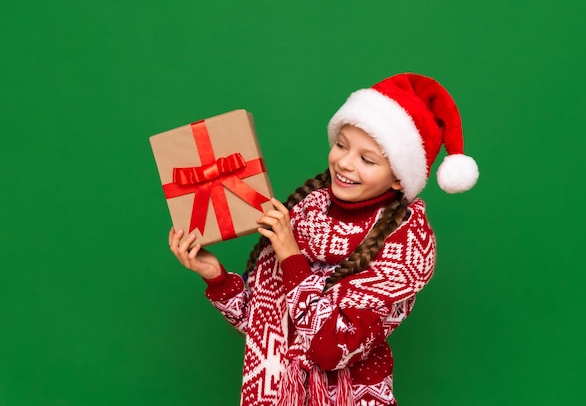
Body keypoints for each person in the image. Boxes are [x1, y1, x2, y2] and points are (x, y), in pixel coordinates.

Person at [169, 73, 479, 406]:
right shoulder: (304, 213)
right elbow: (266, 328)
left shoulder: (404, 247)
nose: (344, 163)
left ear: (399, 179)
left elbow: (330, 349)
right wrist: (215, 276)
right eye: (342, 144)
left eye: (367, 159)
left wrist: (290, 256)